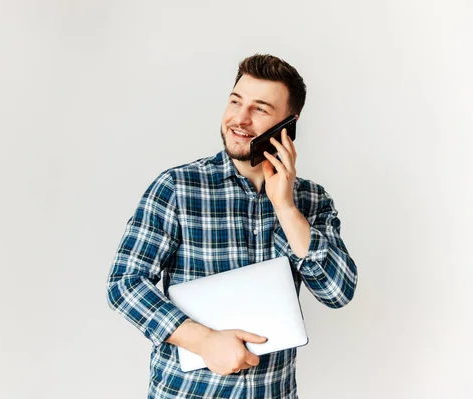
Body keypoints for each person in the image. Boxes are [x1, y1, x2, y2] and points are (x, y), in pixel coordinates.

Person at [106, 54, 358, 399]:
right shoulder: (178, 187)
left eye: (260, 109)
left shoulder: (311, 200)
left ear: (289, 124)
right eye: (236, 101)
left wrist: (285, 206)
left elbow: (337, 292)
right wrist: (204, 340)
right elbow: (125, 284)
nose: (239, 119)